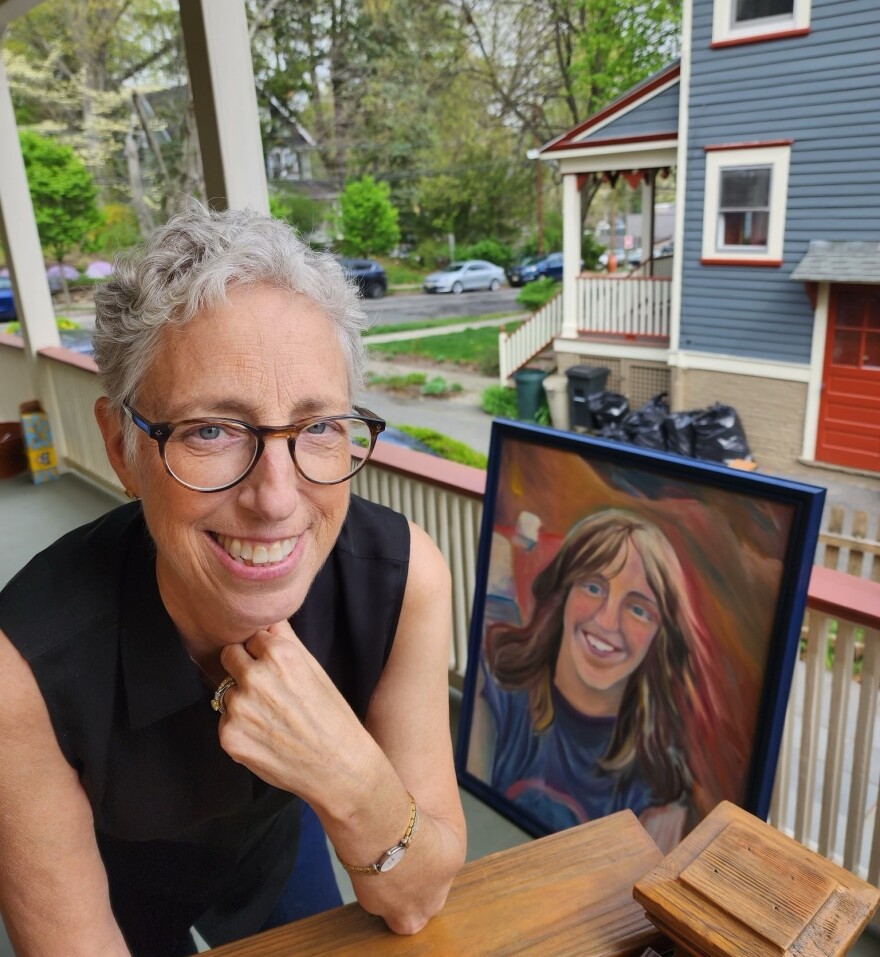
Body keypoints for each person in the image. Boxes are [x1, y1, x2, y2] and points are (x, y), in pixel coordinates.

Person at [0, 205, 466, 957]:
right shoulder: (21, 669)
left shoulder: (402, 579)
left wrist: (351, 779)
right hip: (116, 873)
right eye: (211, 429)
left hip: (275, 842)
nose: (277, 499)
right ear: (121, 448)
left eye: (317, 426)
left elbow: (421, 896)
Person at [469, 509, 707, 852]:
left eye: (639, 609)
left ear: (660, 636)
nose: (607, 621)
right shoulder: (497, 693)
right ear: (564, 590)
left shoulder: (658, 787)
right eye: (593, 587)